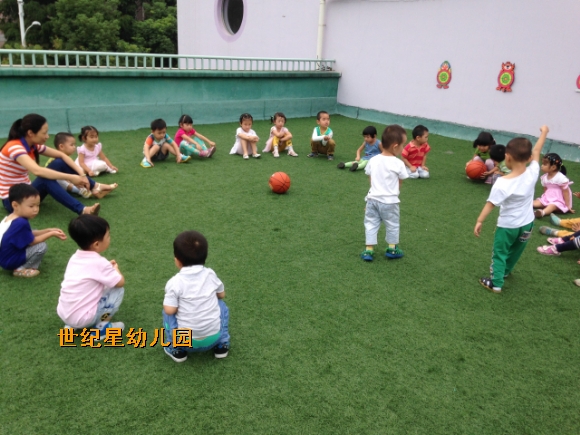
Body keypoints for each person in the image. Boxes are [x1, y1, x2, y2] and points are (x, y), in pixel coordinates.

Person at [474, 126, 549, 293]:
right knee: (516, 250)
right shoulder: (533, 172)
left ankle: (496, 283)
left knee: (499, 253)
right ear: (529, 158)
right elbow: (537, 150)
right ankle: (506, 271)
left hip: (507, 226)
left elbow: (490, 204)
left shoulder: (502, 183)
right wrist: (544, 132)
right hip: (527, 224)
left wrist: (479, 221)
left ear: (507, 157)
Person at [0, 114, 99, 215]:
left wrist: (82, 174)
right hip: (13, 201)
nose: (47, 136)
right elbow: (37, 171)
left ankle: (96, 186)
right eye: (44, 133)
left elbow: (61, 155)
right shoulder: (14, 147)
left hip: (27, 192)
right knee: (45, 180)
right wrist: (71, 177)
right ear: (30, 133)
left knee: (59, 162)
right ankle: (83, 210)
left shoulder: (32, 145)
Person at [162, 231, 230, 363]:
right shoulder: (210, 274)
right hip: (214, 338)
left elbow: (169, 311)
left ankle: (176, 348)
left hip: (185, 342)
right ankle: (222, 344)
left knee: (167, 310)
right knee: (220, 304)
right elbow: (222, 295)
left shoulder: (174, 282)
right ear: (205, 257)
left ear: (177, 261)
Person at [57, 214, 125, 335]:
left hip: (64, 313)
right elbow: (120, 282)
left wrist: (107, 269)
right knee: (118, 290)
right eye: (108, 236)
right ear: (96, 244)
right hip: (83, 319)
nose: (109, 238)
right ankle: (101, 328)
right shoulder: (99, 263)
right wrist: (115, 269)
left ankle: (72, 326)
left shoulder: (74, 258)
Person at [360, 125, 409, 261]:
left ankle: (368, 250)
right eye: (403, 145)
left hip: (372, 200)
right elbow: (399, 182)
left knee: (370, 223)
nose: (403, 148)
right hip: (390, 202)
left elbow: (371, 181)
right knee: (392, 224)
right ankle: (392, 249)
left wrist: (370, 197)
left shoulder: (373, 160)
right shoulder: (398, 163)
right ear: (395, 146)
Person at [0, 184, 66, 277]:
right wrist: (52, 233)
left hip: (4, 258)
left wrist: (48, 230)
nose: (36, 209)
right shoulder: (21, 222)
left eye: (37, 205)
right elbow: (33, 242)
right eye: (31, 206)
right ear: (15, 205)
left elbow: (29, 233)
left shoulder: (11, 217)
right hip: (9, 261)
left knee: (33, 231)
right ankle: (21, 269)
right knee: (41, 246)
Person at [44, 132, 118, 199]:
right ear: (61, 147)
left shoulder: (68, 159)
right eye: (71, 145)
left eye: (74, 144)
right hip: (55, 181)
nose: (74, 147)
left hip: (66, 179)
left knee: (76, 180)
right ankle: (82, 191)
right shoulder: (56, 160)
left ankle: (94, 191)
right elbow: (54, 175)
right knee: (63, 182)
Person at [533, 153, 573, 218]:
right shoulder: (544, 177)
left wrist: (568, 206)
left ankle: (542, 212)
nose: (542, 166)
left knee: (552, 206)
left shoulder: (560, 178)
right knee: (537, 202)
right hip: (548, 198)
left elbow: (566, 192)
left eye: (544, 164)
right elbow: (545, 189)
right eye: (542, 164)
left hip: (559, 201)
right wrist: (545, 199)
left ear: (553, 167)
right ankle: (524, 204)